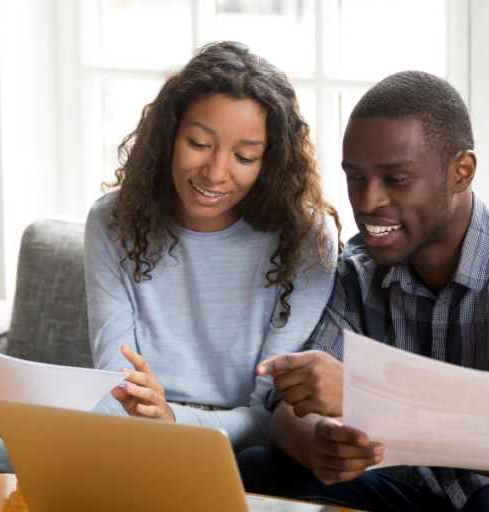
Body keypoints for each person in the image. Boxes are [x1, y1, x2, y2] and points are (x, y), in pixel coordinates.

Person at [235, 71, 489, 511]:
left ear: (461, 172)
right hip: (426, 498)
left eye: (396, 179)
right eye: (356, 177)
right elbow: (287, 413)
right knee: (258, 466)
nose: (369, 201)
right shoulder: (359, 270)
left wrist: (373, 398)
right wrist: (318, 439)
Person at [84, 41, 340, 452]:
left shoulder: (306, 239)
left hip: (240, 449)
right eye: (199, 144)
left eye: (244, 156)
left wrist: (171, 419)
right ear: (169, 136)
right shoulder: (113, 221)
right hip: (134, 435)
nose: (216, 172)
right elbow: (116, 383)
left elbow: (268, 416)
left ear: (269, 161)